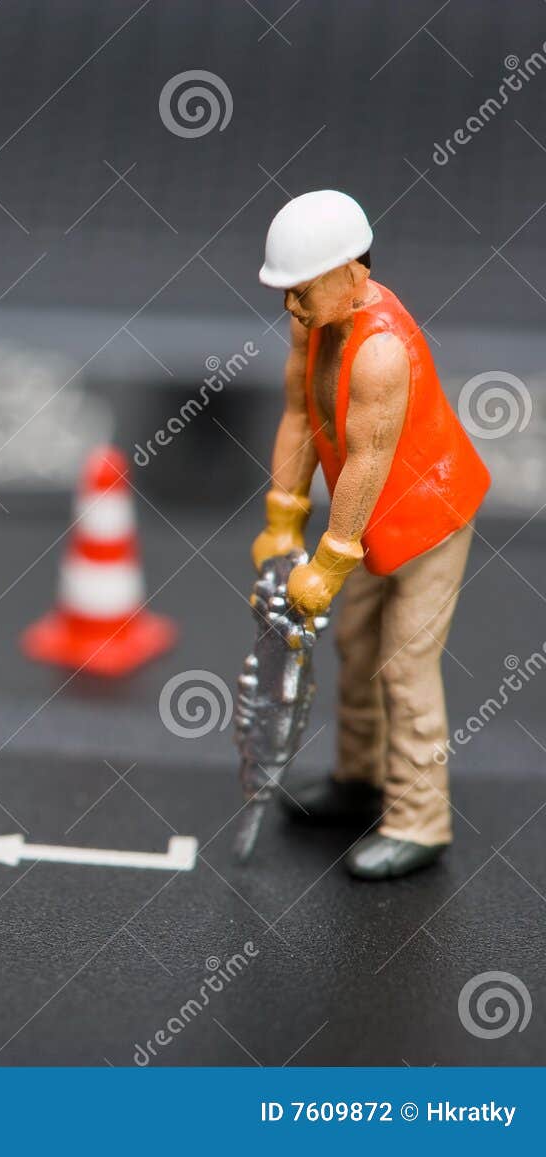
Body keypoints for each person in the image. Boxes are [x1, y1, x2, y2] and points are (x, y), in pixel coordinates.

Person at [250, 190, 490, 879]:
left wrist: (325, 565)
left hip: (429, 519)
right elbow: (300, 417)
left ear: (352, 273)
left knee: (406, 666)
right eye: (287, 294)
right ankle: (360, 781)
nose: (291, 307)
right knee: (358, 645)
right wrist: (282, 517)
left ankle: (420, 821)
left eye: (302, 291)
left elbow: (366, 465)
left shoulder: (382, 351)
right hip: (373, 528)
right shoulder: (312, 323)